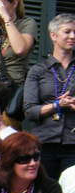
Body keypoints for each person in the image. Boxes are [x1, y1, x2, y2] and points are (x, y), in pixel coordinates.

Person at [24, 14, 75, 180]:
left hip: (73, 143)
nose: (73, 36)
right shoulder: (38, 70)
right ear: (53, 35)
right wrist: (57, 105)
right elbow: (30, 111)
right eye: (67, 32)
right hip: (44, 143)